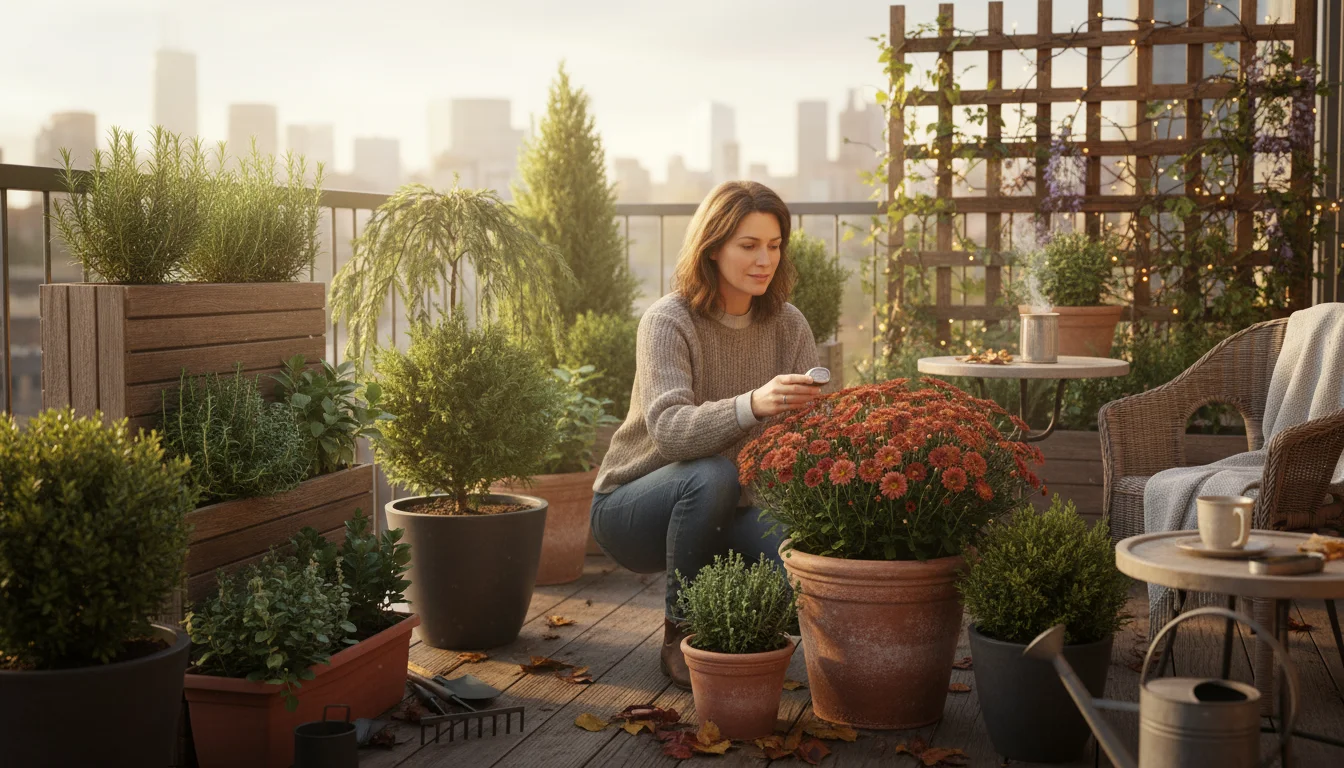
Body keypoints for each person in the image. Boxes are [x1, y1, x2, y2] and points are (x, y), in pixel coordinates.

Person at [589, 180, 822, 688]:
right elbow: (671, 433)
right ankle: (682, 631)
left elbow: (806, 442)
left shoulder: (789, 326)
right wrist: (753, 404)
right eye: (749, 245)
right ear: (712, 248)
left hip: (730, 510)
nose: (765, 260)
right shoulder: (667, 322)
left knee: (795, 585)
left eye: (774, 246)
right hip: (633, 506)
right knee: (712, 474)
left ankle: (731, 637)